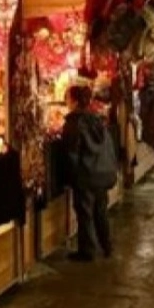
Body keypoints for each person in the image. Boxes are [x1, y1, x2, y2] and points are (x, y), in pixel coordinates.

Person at [59, 84, 117, 262]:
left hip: (87, 174)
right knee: (100, 211)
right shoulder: (97, 120)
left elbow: (72, 154)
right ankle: (107, 245)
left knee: (85, 212)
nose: (65, 102)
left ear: (74, 101)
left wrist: (72, 176)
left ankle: (87, 251)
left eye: (67, 98)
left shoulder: (73, 123)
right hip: (103, 173)